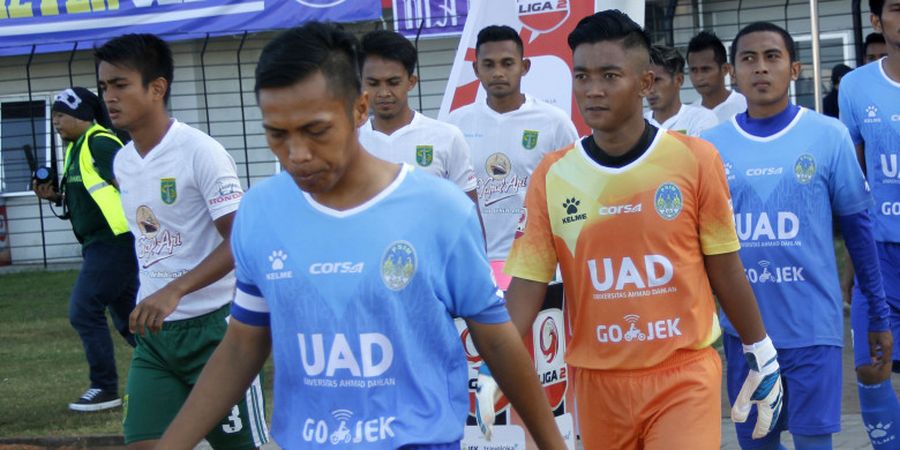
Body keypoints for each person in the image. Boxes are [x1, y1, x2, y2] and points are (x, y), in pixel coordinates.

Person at [154, 22, 566, 450]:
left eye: (316, 131)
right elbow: (243, 342)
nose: (296, 154)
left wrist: (552, 444)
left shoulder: (440, 210)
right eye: (277, 134)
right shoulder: (261, 213)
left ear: (358, 109)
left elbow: (496, 340)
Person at [478, 10, 783, 449]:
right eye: (582, 76)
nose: (593, 89)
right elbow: (528, 280)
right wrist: (495, 365)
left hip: (683, 374)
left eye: (609, 75)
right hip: (597, 381)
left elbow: (726, 266)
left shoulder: (695, 159)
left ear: (645, 83)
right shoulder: (554, 173)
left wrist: (760, 349)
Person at [702, 21, 892, 450]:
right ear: (733, 72)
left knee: (813, 444)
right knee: (757, 444)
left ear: (796, 68)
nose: (761, 68)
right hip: (746, 337)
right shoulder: (709, 146)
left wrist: (877, 316)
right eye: (748, 59)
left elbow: (860, 234)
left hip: (814, 333)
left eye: (772, 57)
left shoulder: (829, 136)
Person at [95, 34, 267, 449]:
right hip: (155, 337)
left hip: (216, 332)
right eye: (104, 88)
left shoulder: (200, 152)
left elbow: (241, 241)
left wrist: (176, 289)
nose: (109, 97)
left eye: (120, 85)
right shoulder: (122, 161)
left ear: (157, 88)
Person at [447, 25, 578, 289]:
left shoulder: (554, 122)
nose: (498, 72)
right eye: (489, 64)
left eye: (507, 63)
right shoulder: (455, 124)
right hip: (477, 261)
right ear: (476, 70)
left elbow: (573, 190)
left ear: (524, 66)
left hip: (536, 259)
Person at [33, 87, 137, 412]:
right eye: (54, 117)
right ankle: (188, 370)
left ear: (81, 115)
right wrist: (56, 198)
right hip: (100, 245)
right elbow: (93, 195)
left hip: (114, 243)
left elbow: (132, 182)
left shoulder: (100, 142)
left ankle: (104, 388)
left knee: (84, 309)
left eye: (61, 115)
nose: (56, 123)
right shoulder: (77, 148)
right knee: (131, 322)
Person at [839, 1, 900, 447]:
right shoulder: (855, 86)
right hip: (879, 256)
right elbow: (854, 184)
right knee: (871, 368)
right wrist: (853, 262)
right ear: (878, 21)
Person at [358, 29, 478, 204]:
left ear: (411, 82)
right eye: (373, 83)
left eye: (393, 82)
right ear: (361, 83)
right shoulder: (350, 142)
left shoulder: (447, 137)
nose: (383, 93)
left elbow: (470, 214)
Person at [645, 44, 718, 136]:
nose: (650, 90)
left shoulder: (702, 119)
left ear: (679, 80)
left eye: (657, 80)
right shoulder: (639, 125)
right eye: (646, 82)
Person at [687, 30, 748, 123]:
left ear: (725, 69)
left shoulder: (746, 107)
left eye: (705, 70)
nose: (699, 77)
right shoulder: (689, 116)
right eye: (693, 70)